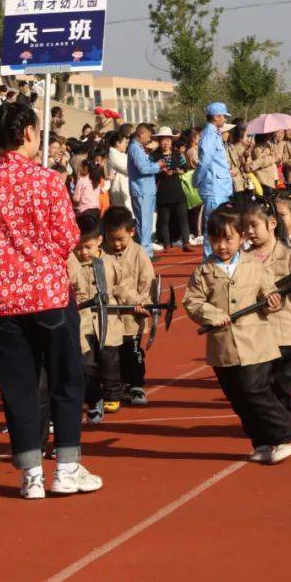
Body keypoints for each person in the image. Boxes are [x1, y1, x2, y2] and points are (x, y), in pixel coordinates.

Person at [0, 102, 99, 500]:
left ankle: (31, 476)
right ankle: (67, 469)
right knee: (65, 381)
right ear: (27, 133)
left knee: (19, 389)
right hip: (50, 297)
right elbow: (68, 239)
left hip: (5, 303)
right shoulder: (46, 180)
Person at [182, 206, 291, 464]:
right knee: (238, 398)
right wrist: (212, 314)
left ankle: (287, 435)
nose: (222, 246)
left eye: (229, 239)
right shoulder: (203, 271)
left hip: (256, 343)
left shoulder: (254, 265)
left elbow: (269, 292)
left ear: (241, 238)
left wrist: (273, 301)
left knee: (254, 390)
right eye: (216, 240)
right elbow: (192, 301)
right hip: (223, 348)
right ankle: (261, 442)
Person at [240, 200, 291, 437]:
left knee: (287, 388)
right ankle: (273, 431)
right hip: (257, 336)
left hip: (288, 332)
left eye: (253, 225)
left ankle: (289, 429)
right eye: (244, 226)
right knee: (262, 386)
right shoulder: (242, 259)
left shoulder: (290, 255)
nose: (248, 231)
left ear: (271, 224)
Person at [68, 212, 141, 422]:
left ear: (99, 240)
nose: (83, 252)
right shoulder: (72, 266)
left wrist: (135, 300)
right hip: (83, 324)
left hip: (108, 324)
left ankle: (112, 393)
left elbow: (122, 286)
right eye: (78, 247)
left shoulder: (109, 263)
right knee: (85, 364)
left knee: (110, 361)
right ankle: (93, 395)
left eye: (87, 247)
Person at [102, 206, 155, 406]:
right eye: (111, 238)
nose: (116, 244)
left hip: (133, 315)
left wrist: (144, 303)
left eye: (121, 239)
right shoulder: (101, 253)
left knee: (132, 352)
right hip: (110, 317)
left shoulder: (139, 253)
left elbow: (148, 283)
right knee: (111, 354)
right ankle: (115, 385)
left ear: (131, 232)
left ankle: (136, 384)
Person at [192, 102, 234, 257]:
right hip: (214, 187)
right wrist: (196, 180)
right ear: (216, 117)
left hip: (220, 186)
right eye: (223, 116)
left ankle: (215, 258)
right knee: (212, 226)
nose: (224, 119)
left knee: (220, 225)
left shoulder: (214, 134)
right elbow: (205, 162)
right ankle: (208, 260)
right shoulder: (209, 135)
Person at [150, 127, 191, 251]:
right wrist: (159, 170)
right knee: (164, 219)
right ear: (158, 141)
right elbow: (149, 170)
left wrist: (180, 171)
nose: (165, 142)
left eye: (168, 139)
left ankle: (186, 242)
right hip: (162, 189)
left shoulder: (178, 154)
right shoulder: (153, 156)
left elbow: (185, 168)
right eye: (163, 140)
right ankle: (167, 244)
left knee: (183, 217)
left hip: (176, 188)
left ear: (172, 141)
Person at [126, 123, 163, 257]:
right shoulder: (135, 148)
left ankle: (146, 252)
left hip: (145, 189)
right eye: (147, 136)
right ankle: (145, 255)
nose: (148, 139)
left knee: (146, 223)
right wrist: (157, 166)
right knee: (144, 223)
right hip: (142, 190)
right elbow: (143, 168)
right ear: (141, 134)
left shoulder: (139, 148)